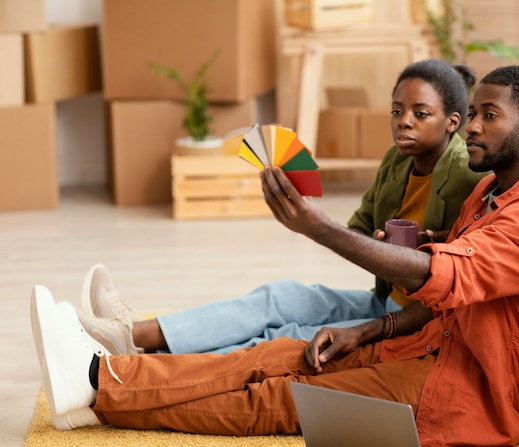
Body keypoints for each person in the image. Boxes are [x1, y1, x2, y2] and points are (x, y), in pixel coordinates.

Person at [32, 64, 519, 446]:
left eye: (489, 116)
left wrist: (314, 227)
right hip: (422, 345)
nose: (476, 126)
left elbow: (442, 274)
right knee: (269, 357)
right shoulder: (491, 191)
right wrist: (367, 331)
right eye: (477, 113)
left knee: (278, 399)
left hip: (462, 391)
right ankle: (105, 374)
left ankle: (94, 386)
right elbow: (443, 301)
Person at [77, 59, 487, 356]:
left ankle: (135, 369)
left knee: (288, 335)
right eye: (397, 111)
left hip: (415, 322)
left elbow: (462, 274)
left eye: (420, 114)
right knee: (277, 297)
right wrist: (367, 241)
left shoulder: (466, 173)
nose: (404, 122)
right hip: (384, 299)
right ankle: (132, 334)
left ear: (452, 122)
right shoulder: (395, 161)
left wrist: (321, 228)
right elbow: (359, 231)